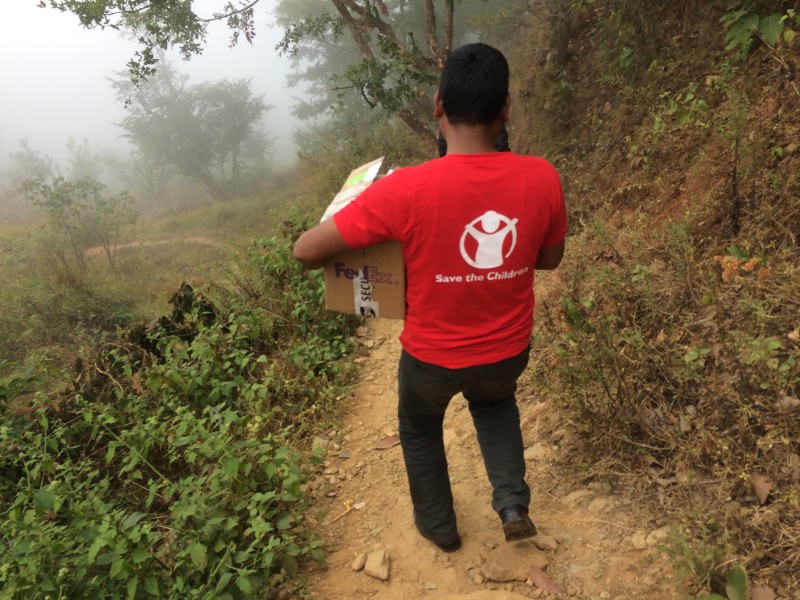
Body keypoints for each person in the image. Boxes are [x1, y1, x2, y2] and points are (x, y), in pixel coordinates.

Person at [293, 43, 567, 553]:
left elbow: (305, 251)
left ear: (437, 106)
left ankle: (440, 530)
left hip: (431, 359)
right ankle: (511, 504)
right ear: (506, 108)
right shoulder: (542, 177)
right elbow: (548, 260)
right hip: (508, 351)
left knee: (419, 429)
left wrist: (358, 214)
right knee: (496, 403)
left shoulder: (405, 190)